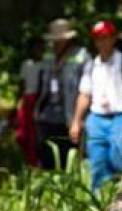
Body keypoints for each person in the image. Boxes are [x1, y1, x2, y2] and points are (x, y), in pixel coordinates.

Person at [70, 21, 122, 190]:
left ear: (113, 39)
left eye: (105, 38)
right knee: (97, 160)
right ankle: (99, 197)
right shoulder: (91, 65)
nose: (102, 43)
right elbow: (84, 94)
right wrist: (76, 121)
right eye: (98, 39)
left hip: (121, 116)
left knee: (120, 155)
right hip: (97, 117)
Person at [33, 19, 88, 170]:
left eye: (59, 40)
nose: (55, 43)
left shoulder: (81, 55)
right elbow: (41, 84)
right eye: (54, 40)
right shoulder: (49, 56)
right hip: (48, 116)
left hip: (69, 116)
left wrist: (79, 118)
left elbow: (86, 89)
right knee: (47, 157)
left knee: (68, 158)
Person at [15, 37, 43, 167]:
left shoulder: (45, 64)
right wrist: (19, 102)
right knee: (23, 133)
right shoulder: (26, 65)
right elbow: (22, 84)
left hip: (40, 99)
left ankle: (37, 160)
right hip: (27, 99)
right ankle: (29, 160)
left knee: (36, 132)